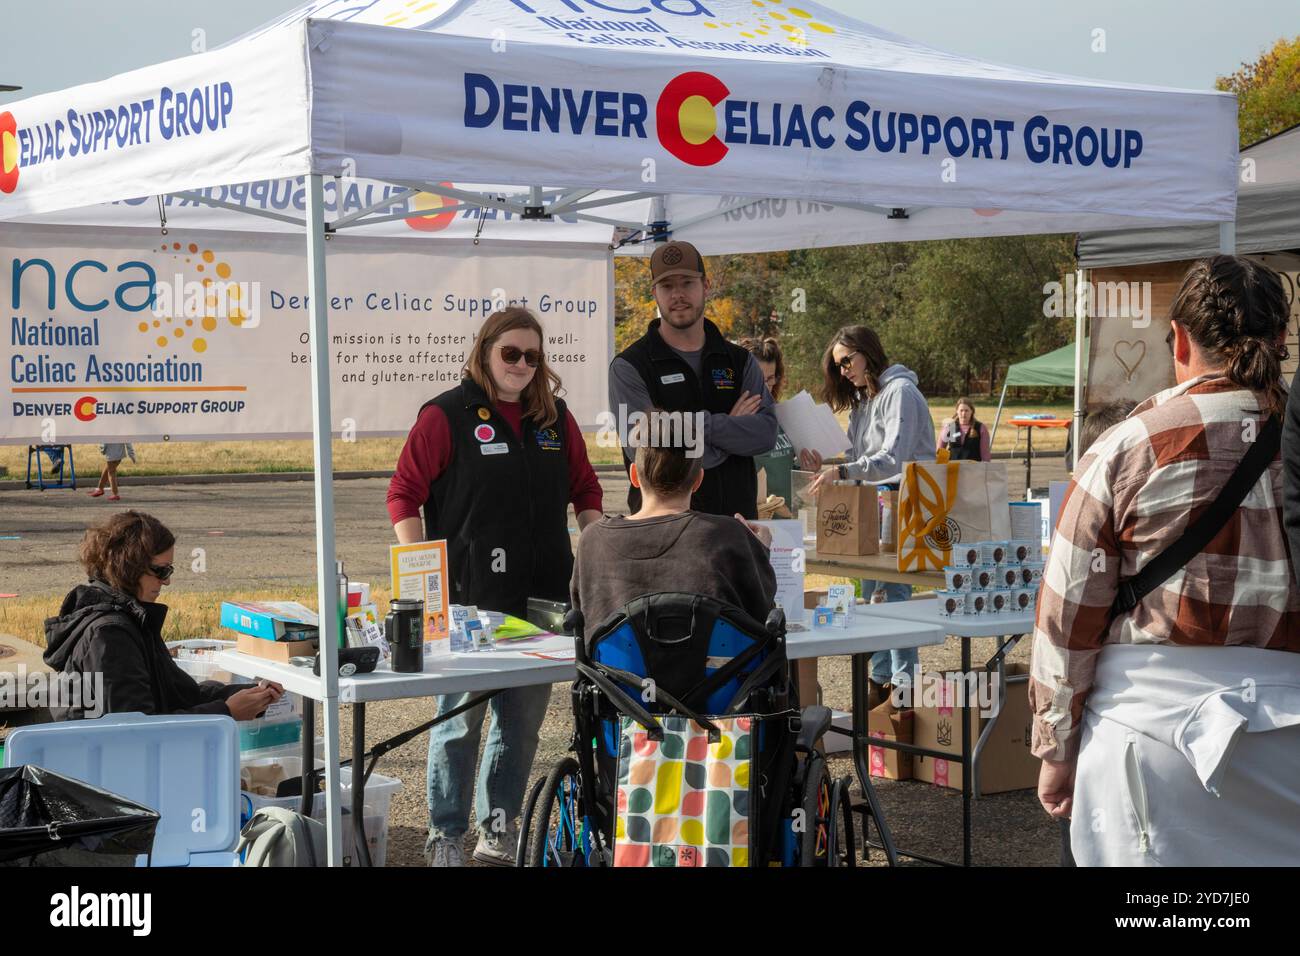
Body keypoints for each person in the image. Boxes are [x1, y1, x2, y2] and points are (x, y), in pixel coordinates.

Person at [1032, 255, 1300, 866]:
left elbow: (1068, 610)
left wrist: (1057, 749)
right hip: (1289, 743)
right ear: (1281, 341)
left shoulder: (1132, 444)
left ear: (1179, 339)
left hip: (1148, 742)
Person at [387, 306, 603, 868]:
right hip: (469, 600)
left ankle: (496, 833)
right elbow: (403, 493)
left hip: (544, 599)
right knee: (460, 723)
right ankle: (446, 832)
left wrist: (602, 549)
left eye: (533, 355)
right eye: (511, 352)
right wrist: (420, 569)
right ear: (485, 351)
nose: (522, 365)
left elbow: (586, 489)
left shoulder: (555, 418)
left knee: (521, 725)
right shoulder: (445, 414)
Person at [44, 511, 284, 721]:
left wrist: (248, 696)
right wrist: (226, 712)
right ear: (128, 566)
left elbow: (178, 693)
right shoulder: (110, 634)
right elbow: (138, 729)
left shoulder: (130, 618)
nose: (167, 581)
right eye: (160, 571)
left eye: (169, 570)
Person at [805, 325, 936, 708]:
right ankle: (880, 687)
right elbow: (857, 458)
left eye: (848, 361)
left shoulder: (901, 393)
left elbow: (893, 458)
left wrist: (843, 472)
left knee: (894, 596)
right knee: (871, 594)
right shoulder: (865, 400)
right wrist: (828, 465)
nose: (844, 371)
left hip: (907, 501)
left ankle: (902, 692)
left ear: (868, 352)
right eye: (838, 366)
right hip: (874, 500)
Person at [609, 241, 778, 520]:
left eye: (687, 283)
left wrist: (690, 426)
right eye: (667, 286)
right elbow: (649, 455)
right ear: (654, 293)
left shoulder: (739, 360)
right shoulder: (629, 366)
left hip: (736, 529)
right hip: (664, 534)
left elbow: (765, 434)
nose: (677, 294)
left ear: (706, 286)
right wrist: (730, 431)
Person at [572, 421, 777, 631]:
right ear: (698, 480)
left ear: (634, 475)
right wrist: (759, 550)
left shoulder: (593, 540)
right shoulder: (729, 536)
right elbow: (762, 619)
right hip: (711, 663)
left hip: (618, 664)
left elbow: (583, 618)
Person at [742, 336, 796, 510]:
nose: (765, 387)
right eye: (758, 379)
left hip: (788, 521)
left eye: (770, 379)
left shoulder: (784, 416)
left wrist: (807, 466)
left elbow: (791, 467)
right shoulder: (731, 422)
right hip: (751, 522)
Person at [936, 397, 991, 461]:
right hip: (952, 468)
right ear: (957, 411)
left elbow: (985, 455)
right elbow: (940, 450)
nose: (963, 413)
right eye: (961, 410)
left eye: (966, 410)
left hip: (974, 468)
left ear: (972, 411)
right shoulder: (950, 427)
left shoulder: (981, 428)